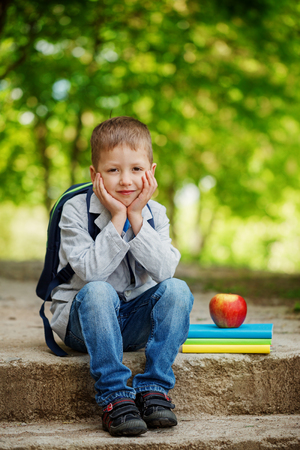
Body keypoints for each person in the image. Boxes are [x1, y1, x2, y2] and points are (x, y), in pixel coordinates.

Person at [49, 116, 194, 437]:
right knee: (100, 290)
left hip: (134, 324)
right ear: (95, 174)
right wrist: (117, 217)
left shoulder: (156, 214)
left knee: (178, 289)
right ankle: (115, 396)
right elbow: (92, 274)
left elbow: (164, 270)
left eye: (136, 170)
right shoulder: (75, 210)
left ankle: (154, 389)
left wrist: (137, 216)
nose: (126, 180)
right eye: (113, 170)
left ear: (151, 173)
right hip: (84, 325)